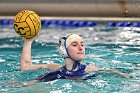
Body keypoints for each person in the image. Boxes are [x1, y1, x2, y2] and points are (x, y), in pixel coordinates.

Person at [19, 33, 130, 86]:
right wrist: (28, 41)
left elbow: (114, 73)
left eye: (82, 44)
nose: (81, 47)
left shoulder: (90, 70)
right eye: (74, 44)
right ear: (64, 51)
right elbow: (26, 68)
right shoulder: (54, 68)